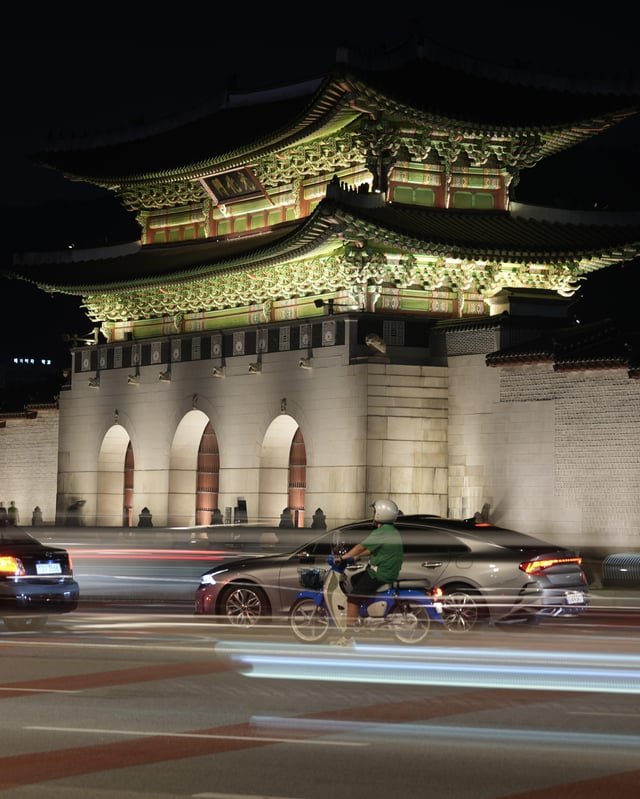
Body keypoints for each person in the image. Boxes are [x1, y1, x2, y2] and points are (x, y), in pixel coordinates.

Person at [333, 498, 403, 644]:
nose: (373, 515)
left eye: (374, 512)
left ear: (381, 514)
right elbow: (371, 549)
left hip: (379, 574)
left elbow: (360, 546)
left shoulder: (382, 531)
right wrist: (357, 557)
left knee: (352, 599)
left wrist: (343, 557)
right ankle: (363, 613)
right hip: (384, 571)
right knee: (354, 580)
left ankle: (347, 637)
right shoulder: (390, 531)